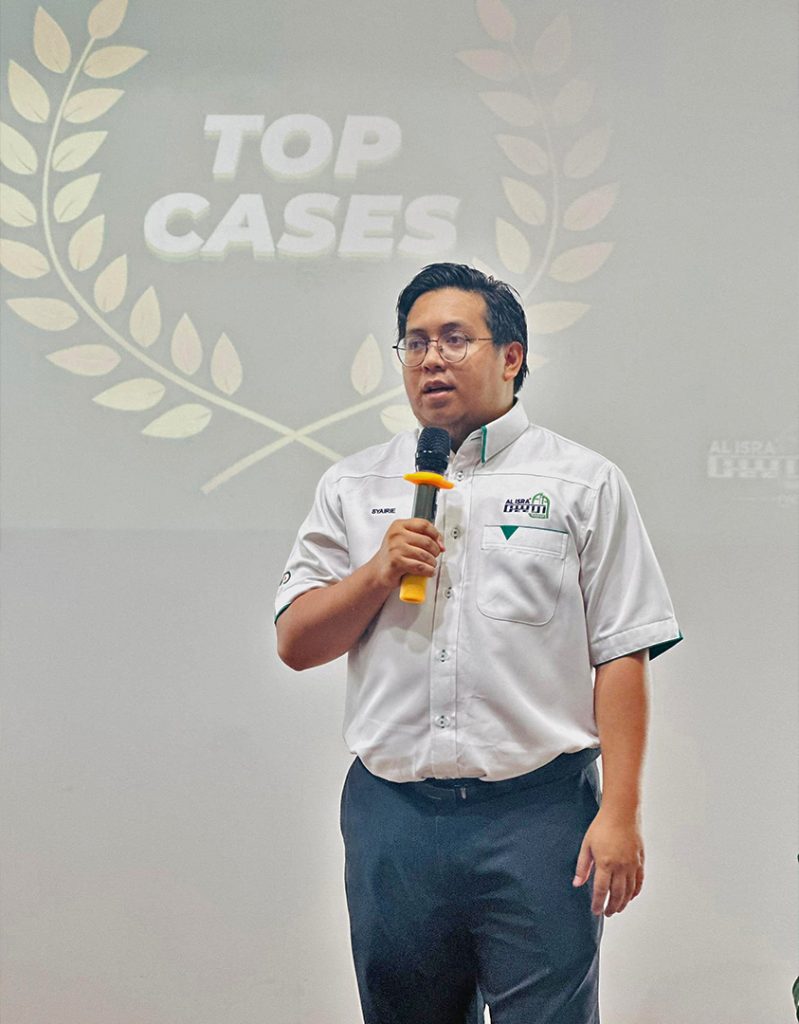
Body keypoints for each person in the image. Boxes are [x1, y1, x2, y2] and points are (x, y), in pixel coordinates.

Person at [275, 263, 682, 1024]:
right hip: (394, 814)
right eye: (415, 343)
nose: (431, 359)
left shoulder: (583, 484)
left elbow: (621, 652)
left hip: (538, 815)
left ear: (511, 357)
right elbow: (296, 643)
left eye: (454, 339)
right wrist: (377, 573)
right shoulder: (354, 486)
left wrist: (621, 812)